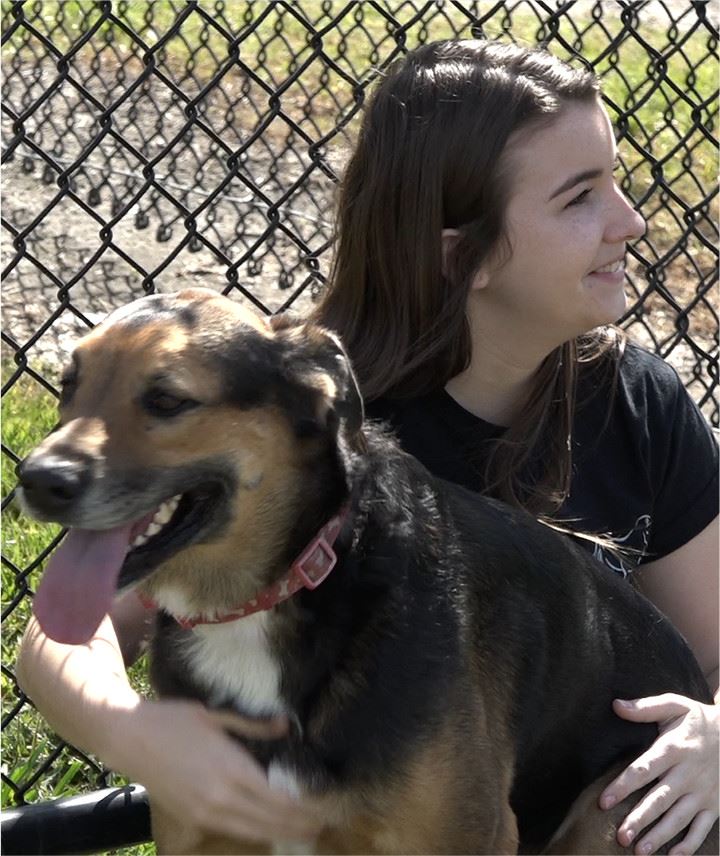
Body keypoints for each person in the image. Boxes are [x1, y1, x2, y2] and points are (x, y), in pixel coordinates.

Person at [16, 39, 717, 856]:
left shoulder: (638, 400)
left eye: (616, 184)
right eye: (580, 198)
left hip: (601, 806)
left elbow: (710, 654)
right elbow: (70, 629)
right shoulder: (319, 433)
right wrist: (130, 731)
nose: (632, 223)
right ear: (464, 253)